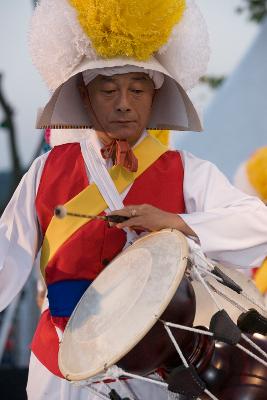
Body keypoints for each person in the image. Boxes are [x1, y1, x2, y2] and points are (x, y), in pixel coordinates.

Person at [0, 0, 267, 399]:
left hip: (153, 371)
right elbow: (6, 256)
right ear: (85, 99)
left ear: (155, 98)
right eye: (108, 90)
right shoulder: (45, 171)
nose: (124, 101)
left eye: (138, 89)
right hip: (59, 365)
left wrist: (176, 222)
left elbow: (258, 223)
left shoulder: (186, 169)